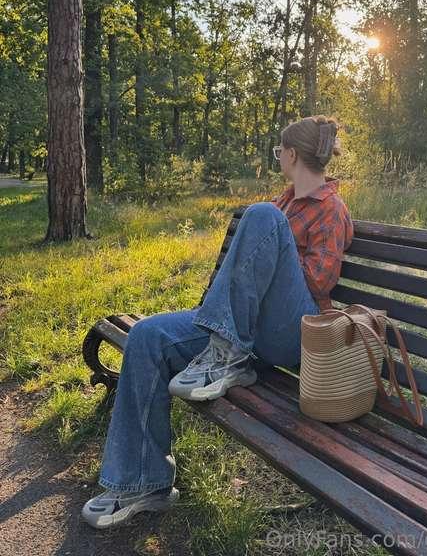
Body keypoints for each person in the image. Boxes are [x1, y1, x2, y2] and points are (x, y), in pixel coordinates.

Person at [81, 114, 354, 529]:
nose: (279, 158)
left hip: (290, 332)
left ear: (292, 154)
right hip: (243, 328)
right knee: (147, 336)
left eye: (280, 152)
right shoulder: (282, 203)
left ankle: (228, 355)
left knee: (261, 215)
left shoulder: (329, 208)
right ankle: (143, 481)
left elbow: (320, 280)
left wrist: (272, 262)